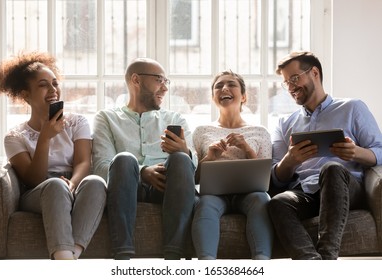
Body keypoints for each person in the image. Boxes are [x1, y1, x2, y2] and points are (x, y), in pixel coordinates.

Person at [268, 51, 382, 260]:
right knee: (278, 202)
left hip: (346, 187)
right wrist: (290, 161)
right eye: (286, 83)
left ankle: (328, 257)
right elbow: (275, 176)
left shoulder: (352, 107)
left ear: (314, 73)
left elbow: (379, 151)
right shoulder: (284, 124)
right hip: (308, 191)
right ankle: (312, 263)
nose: (291, 87)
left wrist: (356, 153)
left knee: (331, 168)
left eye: (295, 78)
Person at [0, 51, 107, 260]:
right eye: (43, 85)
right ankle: (63, 259)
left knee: (96, 181)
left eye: (55, 83)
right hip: (39, 190)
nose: (53, 90)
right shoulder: (14, 137)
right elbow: (33, 179)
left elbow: (83, 162)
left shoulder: (77, 122)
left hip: (74, 183)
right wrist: (44, 138)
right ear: (25, 94)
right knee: (55, 185)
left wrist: (72, 184)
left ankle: (71, 255)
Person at [92, 57, 197, 260]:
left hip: (169, 189)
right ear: (136, 80)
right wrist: (142, 172)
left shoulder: (175, 119)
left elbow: (193, 171)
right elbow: (101, 167)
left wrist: (185, 151)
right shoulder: (106, 118)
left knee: (183, 160)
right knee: (124, 159)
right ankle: (122, 255)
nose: (165, 88)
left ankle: (174, 255)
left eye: (167, 82)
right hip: (126, 188)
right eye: (159, 80)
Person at [192, 70, 274, 260]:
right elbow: (193, 177)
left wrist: (247, 149)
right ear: (213, 97)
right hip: (213, 194)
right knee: (204, 205)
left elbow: (267, 177)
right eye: (218, 86)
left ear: (243, 96)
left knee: (262, 200)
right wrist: (210, 158)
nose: (224, 88)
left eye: (231, 84)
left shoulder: (259, 132)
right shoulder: (201, 131)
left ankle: (262, 263)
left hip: (250, 193)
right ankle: (206, 264)